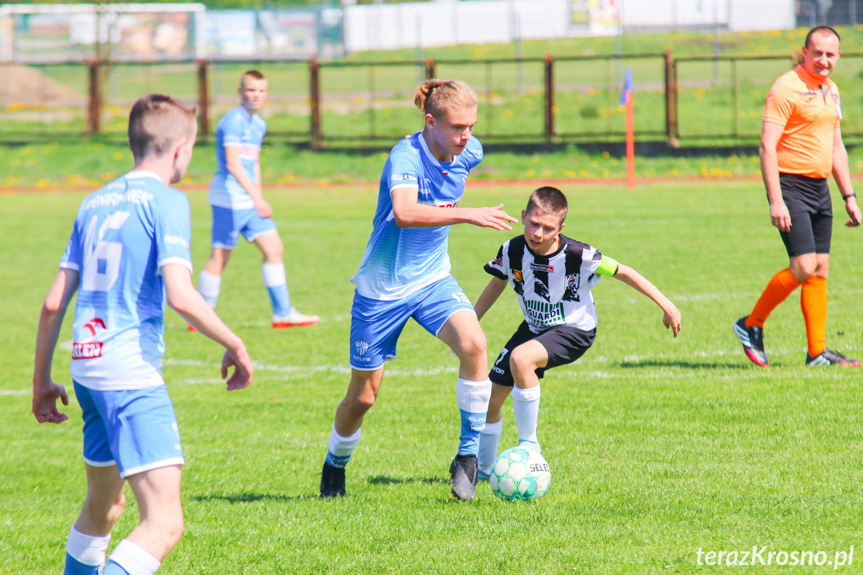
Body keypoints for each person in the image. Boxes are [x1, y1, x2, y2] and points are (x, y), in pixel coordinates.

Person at [31, 94, 254, 575]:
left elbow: (53, 302)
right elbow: (181, 294)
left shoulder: (93, 201)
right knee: (164, 523)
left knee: (104, 509)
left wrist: (41, 382)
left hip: (86, 368)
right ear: (180, 150)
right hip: (129, 371)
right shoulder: (168, 201)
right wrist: (234, 342)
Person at [318, 79, 518, 501]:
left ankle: (466, 458)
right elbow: (405, 213)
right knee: (364, 397)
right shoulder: (405, 156)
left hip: (432, 281)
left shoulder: (470, 151)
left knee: (474, 345)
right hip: (381, 291)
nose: (467, 136)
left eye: (472, 126)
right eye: (458, 127)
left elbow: (456, 164)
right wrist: (467, 214)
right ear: (430, 122)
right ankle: (335, 464)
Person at [472, 186, 681, 479]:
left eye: (547, 228)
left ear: (561, 228)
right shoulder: (511, 250)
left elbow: (625, 271)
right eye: (534, 223)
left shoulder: (580, 255)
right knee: (491, 400)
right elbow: (497, 283)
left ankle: (529, 446)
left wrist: (667, 305)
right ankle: (481, 472)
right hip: (533, 328)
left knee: (521, 359)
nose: (538, 233)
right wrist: (471, 322)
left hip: (574, 330)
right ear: (523, 217)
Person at [733, 25, 862, 367]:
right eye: (816, 52)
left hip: (820, 188)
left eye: (830, 54)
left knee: (819, 269)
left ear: (838, 57)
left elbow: (836, 146)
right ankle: (750, 324)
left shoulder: (831, 90)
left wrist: (848, 195)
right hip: (790, 186)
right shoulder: (786, 88)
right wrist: (775, 199)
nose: (823, 59)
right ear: (803, 52)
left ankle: (817, 352)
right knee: (803, 266)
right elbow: (766, 147)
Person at [195, 69, 318, 330]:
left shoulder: (258, 124)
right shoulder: (233, 121)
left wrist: (258, 198)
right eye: (251, 90)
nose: (256, 95)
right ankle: (199, 316)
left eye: (261, 91)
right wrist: (255, 197)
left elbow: (254, 163)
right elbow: (233, 163)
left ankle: (282, 314)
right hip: (228, 199)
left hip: (250, 201)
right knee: (220, 257)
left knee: (274, 250)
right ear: (240, 92)